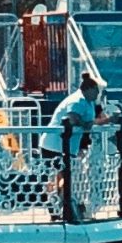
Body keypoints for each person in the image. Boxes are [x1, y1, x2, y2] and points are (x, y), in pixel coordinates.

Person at [40, 71, 102, 209]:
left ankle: (59, 203)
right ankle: (58, 203)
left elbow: (91, 119)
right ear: (87, 90)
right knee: (61, 175)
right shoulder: (77, 100)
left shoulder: (89, 102)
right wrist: (83, 123)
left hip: (67, 145)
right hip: (55, 144)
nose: (97, 94)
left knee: (63, 174)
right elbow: (72, 117)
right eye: (95, 91)